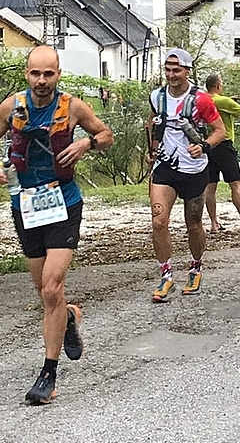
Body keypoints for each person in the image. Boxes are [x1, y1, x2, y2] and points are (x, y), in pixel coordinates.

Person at [0, 45, 113, 405]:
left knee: (52, 286)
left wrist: (86, 143)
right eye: (36, 73)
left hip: (64, 201)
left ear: (59, 74)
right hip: (27, 205)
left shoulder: (73, 106)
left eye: (49, 74)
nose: (42, 80)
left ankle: (48, 375)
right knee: (46, 294)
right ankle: (68, 317)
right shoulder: (11, 106)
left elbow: (106, 135)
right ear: (27, 74)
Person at [148, 49, 226, 303]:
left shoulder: (201, 100)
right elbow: (152, 123)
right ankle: (166, 274)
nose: (171, 75)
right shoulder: (157, 97)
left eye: (177, 70)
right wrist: (152, 148)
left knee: (193, 223)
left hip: (193, 169)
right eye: (168, 70)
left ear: (187, 71)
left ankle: (195, 266)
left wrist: (203, 146)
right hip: (165, 167)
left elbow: (219, 131)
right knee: (159, 221)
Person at [203, 74, 240, 233]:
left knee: (210, 186)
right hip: (224, 144)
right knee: (235, 184)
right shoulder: (224, 101)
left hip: (208, 145)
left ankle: (214, 224)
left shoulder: (203, 100)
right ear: (218, 86)